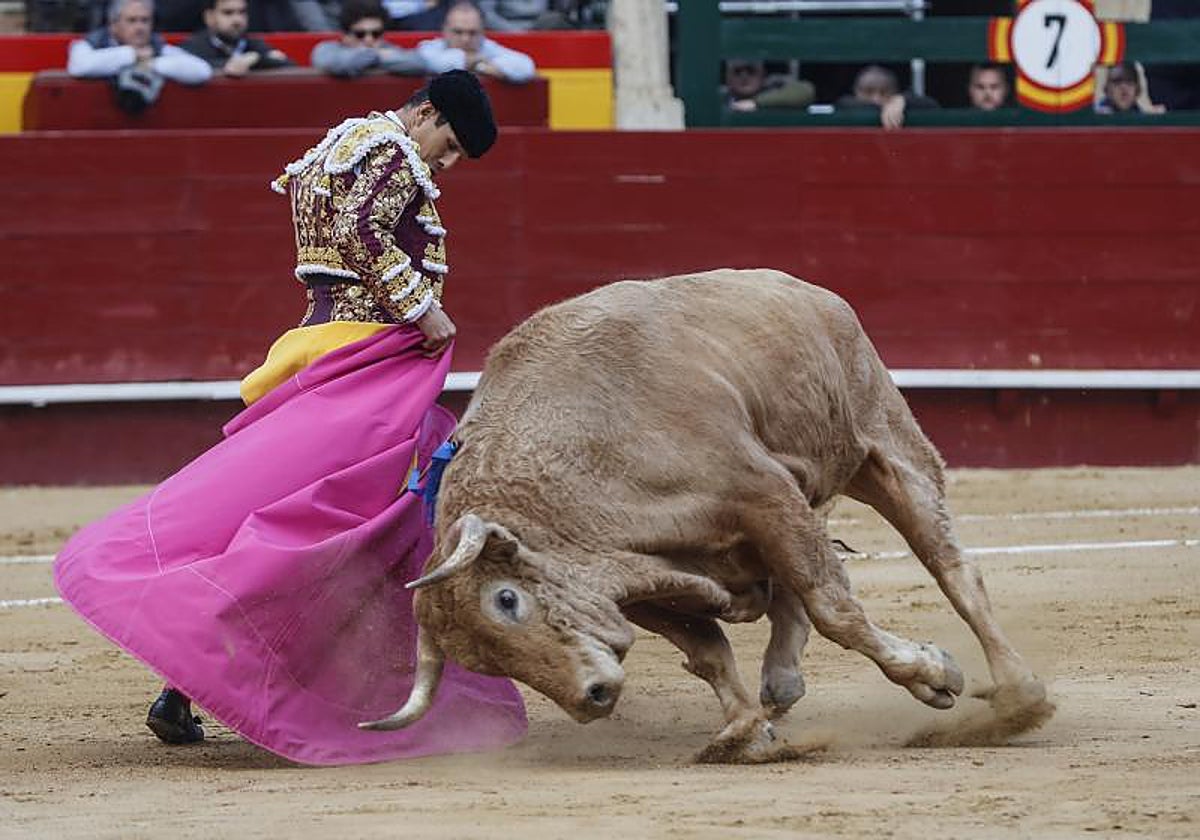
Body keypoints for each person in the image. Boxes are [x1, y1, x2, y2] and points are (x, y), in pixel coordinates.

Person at [53, 70, 528, 765]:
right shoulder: (391, 152)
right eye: (449, 144)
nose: (446, 163)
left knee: (280, 513)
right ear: (425, 112)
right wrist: (422, 309)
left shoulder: (344, 142)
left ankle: (183, 687)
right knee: (358, 524)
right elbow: (361, 230)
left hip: (321, 351)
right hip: (369, 365)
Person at [67, 0, 212, 114]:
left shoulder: (157, 46)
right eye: (132, 20)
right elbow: (79, 67)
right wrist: (132, 54)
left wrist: (153, 63)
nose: (140, 27)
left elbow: (202, 71)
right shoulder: (93, 42)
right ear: (113, 25)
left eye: (145, 20)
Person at [417, 0, 536, 83]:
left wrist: (476, 66)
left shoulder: (487, 46)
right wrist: (480, 64)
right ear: (444, 30)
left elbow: (526, 66)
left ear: (483, 31)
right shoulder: (429, 47)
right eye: (458, 32)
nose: (465, 39)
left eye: (472, 33)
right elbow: (431, 62)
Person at [312, 0, 427, 79]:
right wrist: (376, 55)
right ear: (346, 35)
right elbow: (341, 65)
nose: (369, 39)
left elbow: (419, 63)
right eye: (360, 34)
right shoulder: (328, 49)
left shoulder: (387, 47)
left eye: (376, 34)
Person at [179, 0, 293, 77]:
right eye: (228, 13)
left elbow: (289, 66)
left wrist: (255, 59)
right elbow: (188, 66)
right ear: (209, 17)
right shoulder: (194, 45)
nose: (237, 20)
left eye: (242, 12)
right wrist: (227, 65)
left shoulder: (252, 43)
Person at [835, 64, 939, 130]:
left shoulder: (901, 102)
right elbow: (841, 104)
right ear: (856, 91)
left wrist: (903, 100)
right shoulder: (845, 104)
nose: (876, 99)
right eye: (868, 92)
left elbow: (931, 105)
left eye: (884, 92)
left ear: (895, 92)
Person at [722, 59, 814, 113]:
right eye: (737, 71)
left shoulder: (774, 94)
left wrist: (756, 103)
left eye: (750, 70)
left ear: (763, 75)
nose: (744, 76)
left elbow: (806, 91)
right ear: (728, 77)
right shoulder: (722, 99)